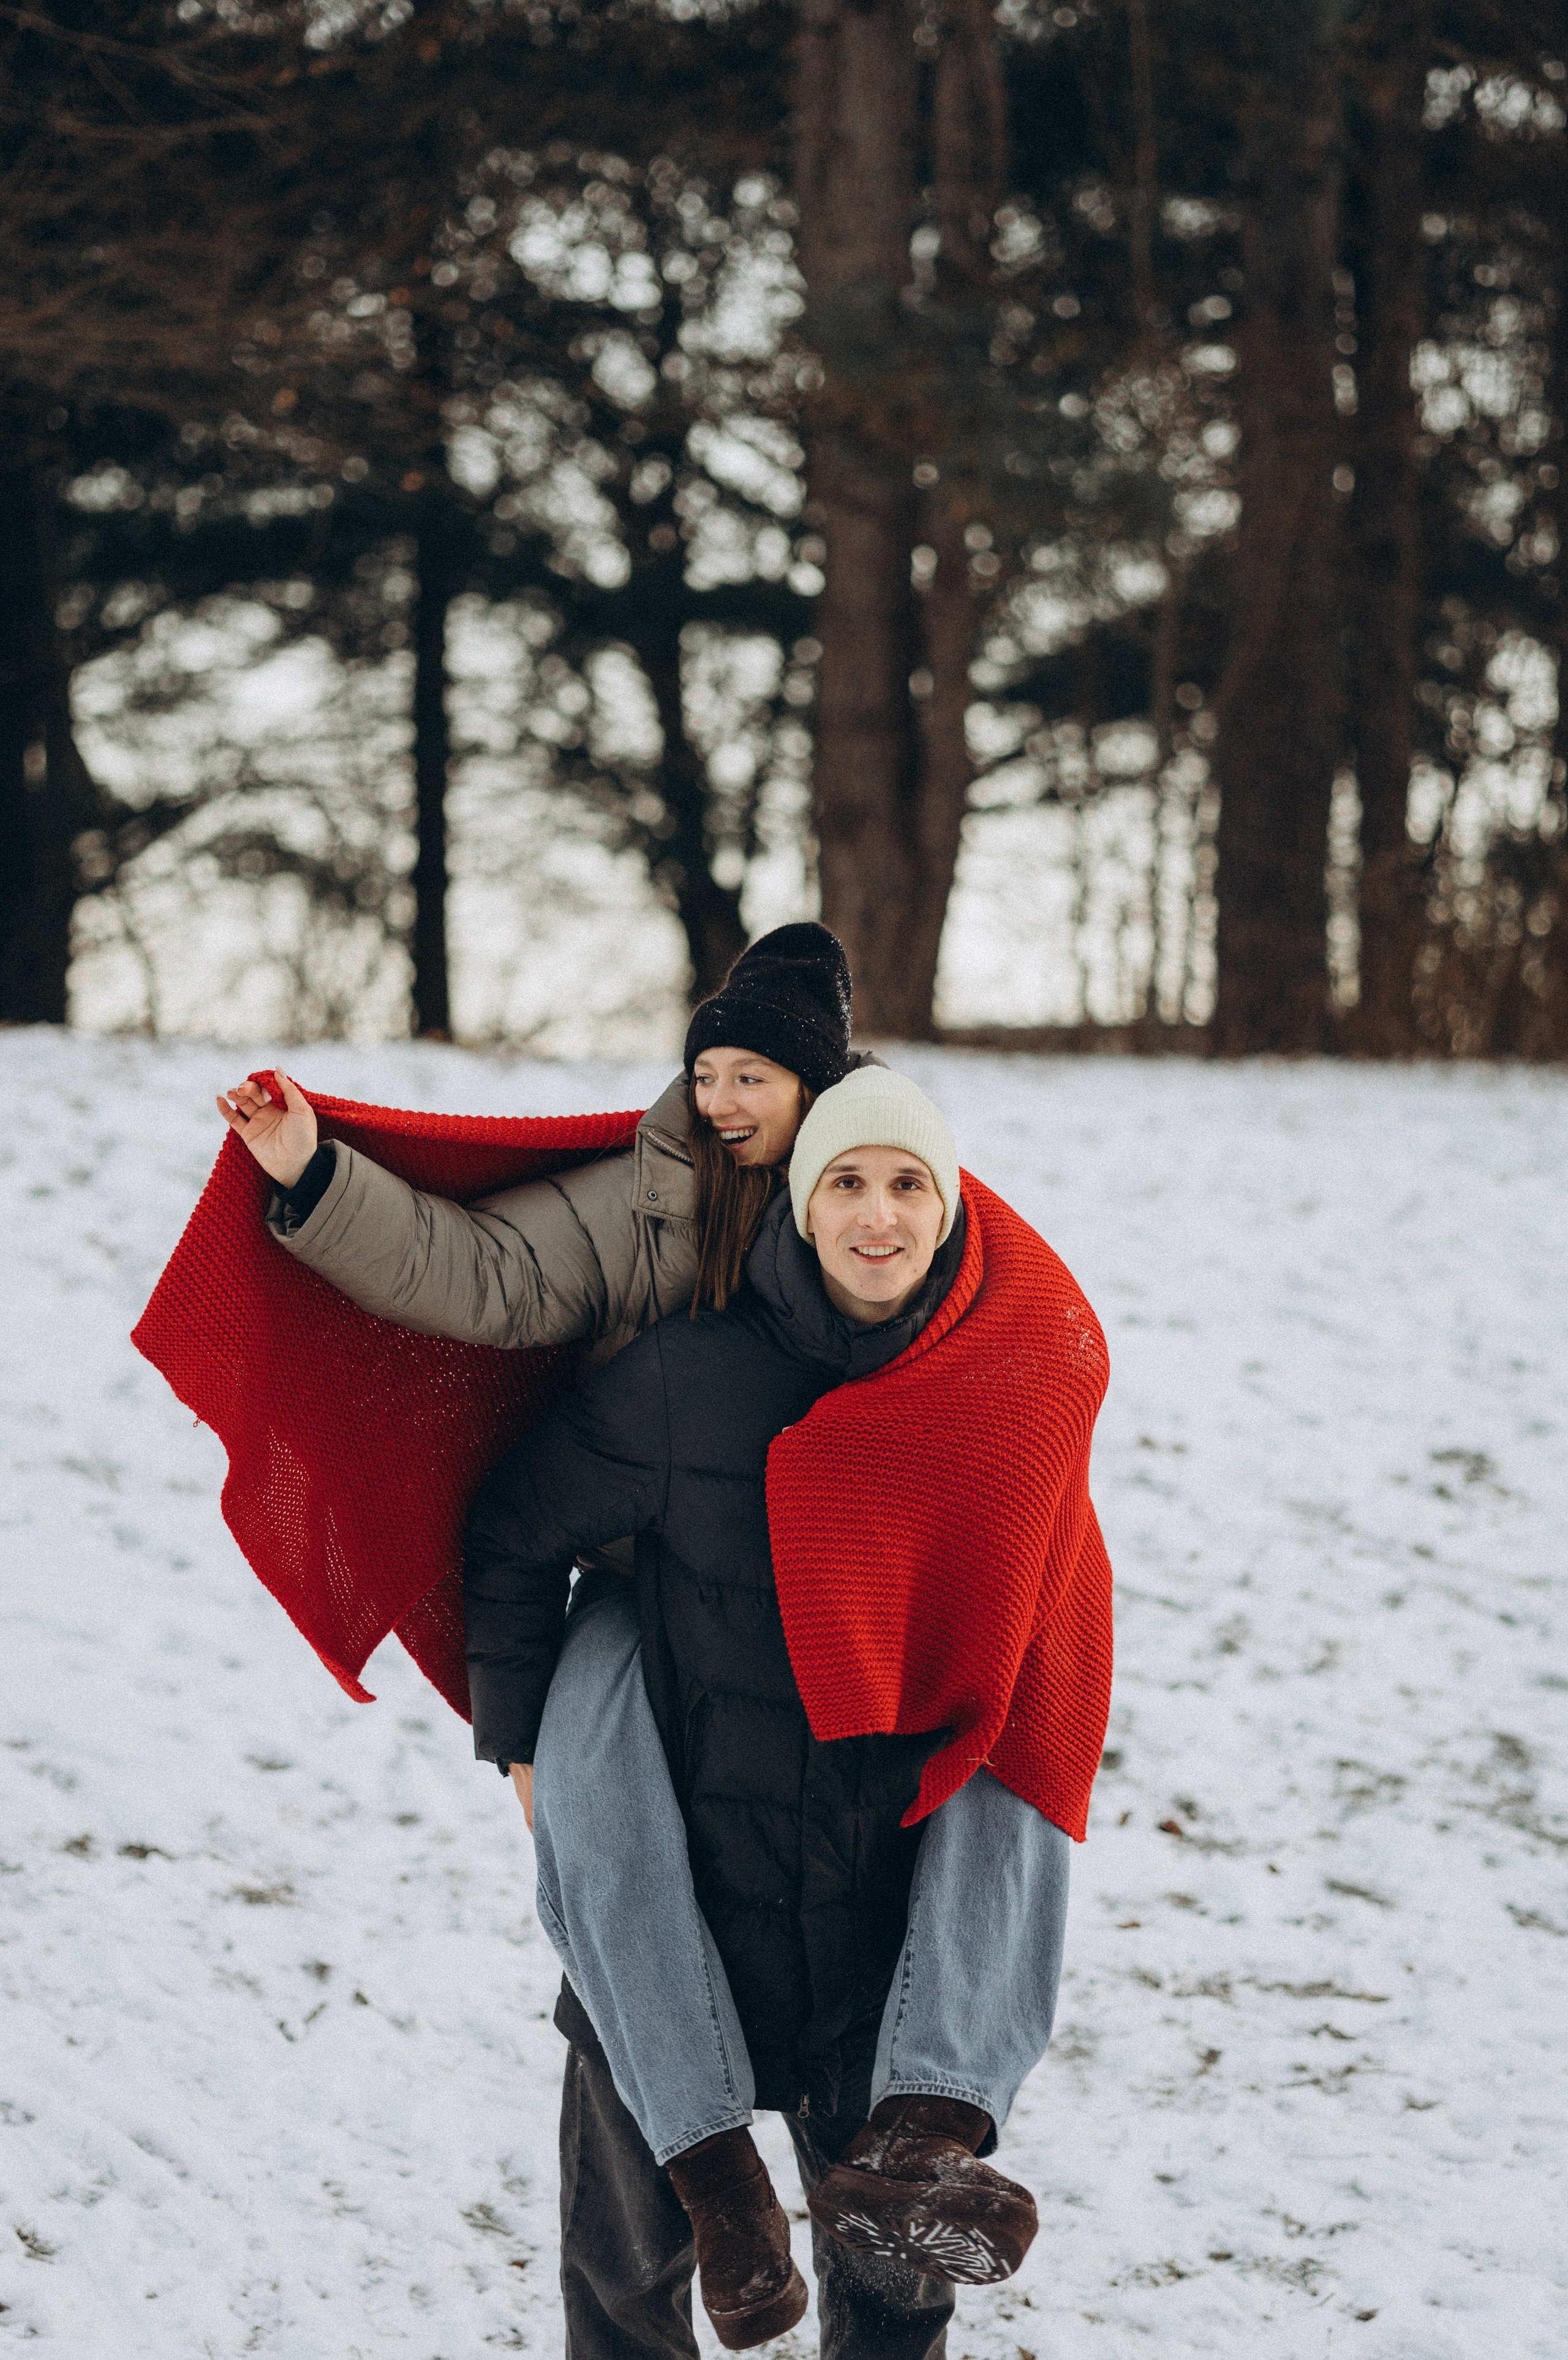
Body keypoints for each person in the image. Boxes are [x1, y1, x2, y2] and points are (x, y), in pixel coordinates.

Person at [464, 1070, 1102, 2359]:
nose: (878, 1216)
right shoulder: (683, 1380)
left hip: (881, 1922)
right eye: (846, 1183)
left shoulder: (999, 1385)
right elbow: (515, 1531)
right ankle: (715, 2191)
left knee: (885, 2311)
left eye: (908, 1183)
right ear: (802, 1207)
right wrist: (522, 1741)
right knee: (627, 2287)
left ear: (949, 1203)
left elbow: (1045, 1627)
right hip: (675, 1876)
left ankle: (930, 2134)